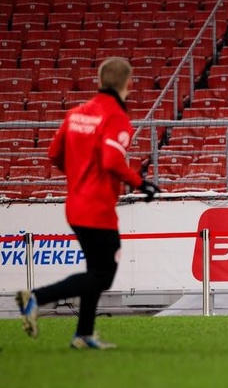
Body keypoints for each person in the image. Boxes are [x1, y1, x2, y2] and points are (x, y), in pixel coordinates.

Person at [14, 57, 160, 350]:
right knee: (103, 276)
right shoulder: (116, 117)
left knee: (95, 270)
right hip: (97, 208)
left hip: (76, 205)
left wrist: (80, 175)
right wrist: (138, 182)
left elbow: (54, 154)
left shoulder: (77, 114)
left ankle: (83, 335)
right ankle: (36, 298)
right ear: (128, 83)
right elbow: (111, 159)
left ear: (99, 81)